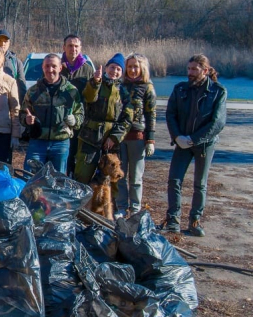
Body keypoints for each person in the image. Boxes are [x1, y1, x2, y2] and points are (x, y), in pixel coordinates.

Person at [160, 54, 227, 237]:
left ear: (204, 71)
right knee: (174, 180)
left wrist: (194, 139)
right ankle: (173, 219)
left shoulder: (217, 92)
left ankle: (194, 220)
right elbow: (170, 114)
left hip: (204, 144)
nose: (189, 73)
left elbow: (217, 123)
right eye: (188, 69)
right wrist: (177, 136)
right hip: (182, 142)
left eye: (194, 69)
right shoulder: (180, 89)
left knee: (200, 184)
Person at [73, 53, 133, 184]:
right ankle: (79, 204)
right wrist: (95, 82)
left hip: (111, 142)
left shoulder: (123, 92)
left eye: (118, 69)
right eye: (112, 67)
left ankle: (108, 205)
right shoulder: (95, 83)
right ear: (106, 68)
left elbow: (127, 118)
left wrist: (114, 137)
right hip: (89, 137)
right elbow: (88, 97)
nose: (114, 71)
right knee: (82, 175)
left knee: (110, 181)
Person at [20, 53, 83, 174]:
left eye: (54, 66)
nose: (50, 69)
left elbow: (80, 115)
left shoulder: (71, 91)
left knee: (57, 182)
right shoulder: (33, 91)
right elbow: (23, 113)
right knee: (30, 178)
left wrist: (74, 120)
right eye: (47, 66)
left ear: (60, 68)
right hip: (37, 142)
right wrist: (26, 120)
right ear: (43, 68)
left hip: (60, 143)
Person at [116, 53, 157, 217]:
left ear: (142, 68)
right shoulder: (121, 85)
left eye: (136, 67)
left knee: (136, 177)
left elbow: (151, 114)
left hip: (137, 137)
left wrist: (150, 139)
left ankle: (135, 208)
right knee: (120, 174)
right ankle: (120, 206)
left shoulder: (147, 87)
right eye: (130, 66)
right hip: (120, 136)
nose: (132, 70)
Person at [61, 34, 96, 176]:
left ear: (80, 48)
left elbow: (92, 97)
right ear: (64, 47)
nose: (73, 49)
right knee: (64, 156)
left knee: (77, 156)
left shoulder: (87, 69)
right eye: (70, 46)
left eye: (76, 46)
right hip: (61, 120)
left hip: (81, 121)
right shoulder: (57, 66)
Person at [0, 29, 28, 105]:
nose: (2, 43)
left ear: (9, 43)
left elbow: (22, 88)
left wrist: (21, 109)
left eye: (5, 41)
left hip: (10, 106)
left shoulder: (16, 63)